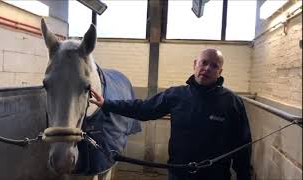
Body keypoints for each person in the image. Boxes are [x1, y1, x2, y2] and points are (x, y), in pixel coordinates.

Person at [90, 48, 252, 180]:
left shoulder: (232, 102)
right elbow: (143, 109)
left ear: (220, 72)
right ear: (195, 64)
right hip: (178, 174)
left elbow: (242, 145)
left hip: (216, 176)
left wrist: (244, 176)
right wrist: (107, 103)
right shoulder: (176, 95)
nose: (207, 68)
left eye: (214, 66)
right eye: (204, 62)